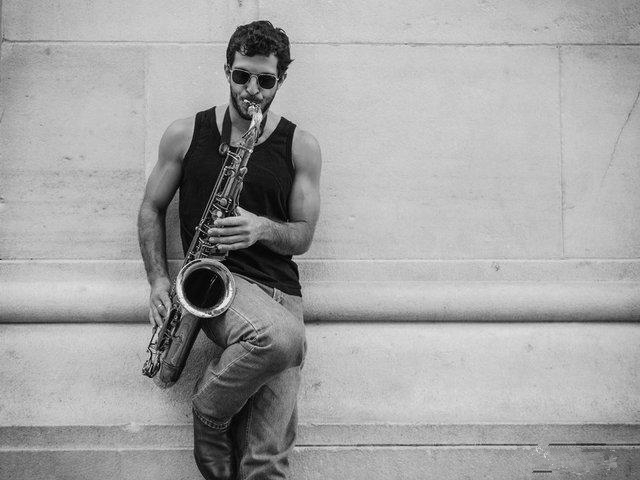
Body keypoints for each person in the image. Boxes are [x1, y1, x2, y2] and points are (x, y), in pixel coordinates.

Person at [137, 20, 322, 480]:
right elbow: (151, 208)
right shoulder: (185, 134)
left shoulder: (301, 146)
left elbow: (302, 236)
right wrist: (158, 280)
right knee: (285, 339)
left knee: (268, 461)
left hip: (283, 295)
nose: (251, 90)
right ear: (227, 71)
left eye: (265, 80)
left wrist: (261, 228)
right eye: (242, 76)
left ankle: (214, 408)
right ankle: (209, 410)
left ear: (281, 79)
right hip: (217, 285)